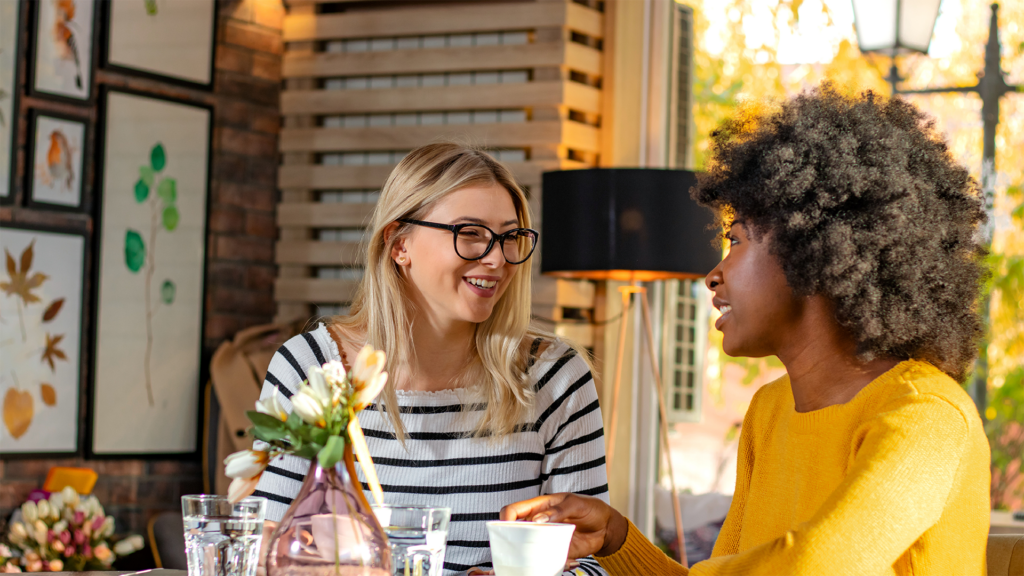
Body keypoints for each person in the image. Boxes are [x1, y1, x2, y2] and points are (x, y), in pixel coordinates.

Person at [502, 84, 992, 575]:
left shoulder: (926, 417)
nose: (713, 274)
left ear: (815, 249)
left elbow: (812, 567)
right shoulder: (770, 411)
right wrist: (615, 538)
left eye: (734, 240)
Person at [252, 143, 610, 576]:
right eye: (470, 233)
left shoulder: (555, 377)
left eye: (509, 236)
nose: (497, 258)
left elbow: (590, 563)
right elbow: (266, 546)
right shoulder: (311, 368)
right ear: (400, 244)